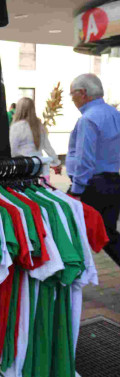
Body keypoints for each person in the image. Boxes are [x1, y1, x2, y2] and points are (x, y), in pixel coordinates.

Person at [67, 73, 120, 266]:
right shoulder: (115, 114)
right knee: (107, 234)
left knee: (67, 229)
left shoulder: (88, 119)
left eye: (72, 94)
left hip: (91, 185)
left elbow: (85, 159)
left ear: (83, 93)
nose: (72, 99)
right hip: (113, 182)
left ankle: (71, 273)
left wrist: (76, 191)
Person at [10, 97, 61, 173]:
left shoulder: (16, 127)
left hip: (23, 166)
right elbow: (47, 147)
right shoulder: (39, 126)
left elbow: (12, 150)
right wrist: (56, 162)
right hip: (38, 165)